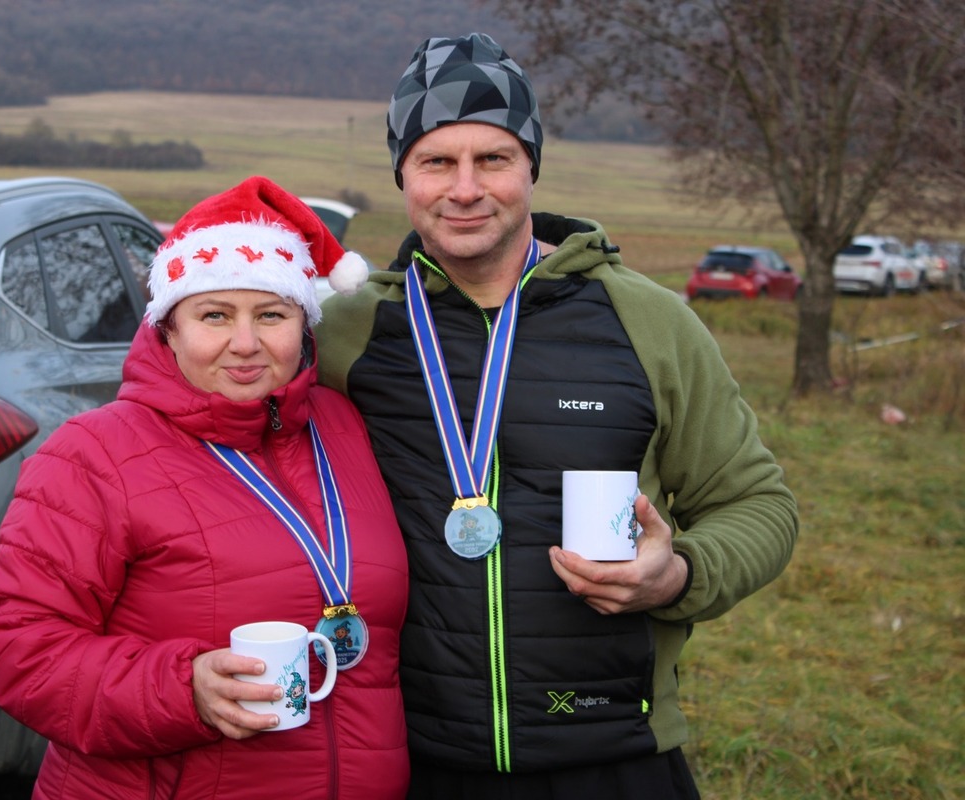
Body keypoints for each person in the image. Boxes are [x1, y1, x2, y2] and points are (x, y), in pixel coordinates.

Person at [316, 32, 799, 799]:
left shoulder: (649, 321)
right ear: (403, 174)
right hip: (410, 759)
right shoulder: (346, 333)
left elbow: (758, 504)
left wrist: (676, 575)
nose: (465, 188)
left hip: (613, 751)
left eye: (494, 159)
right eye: (437, 161)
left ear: (531, 168)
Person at [0, 176, 409, 799]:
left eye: (271, 315)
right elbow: (17, 651)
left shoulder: (343, 428)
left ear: (305, 323)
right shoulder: (94, 454)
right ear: (168, 327)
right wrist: (183, 690)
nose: (246, 343)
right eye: (214, 315)